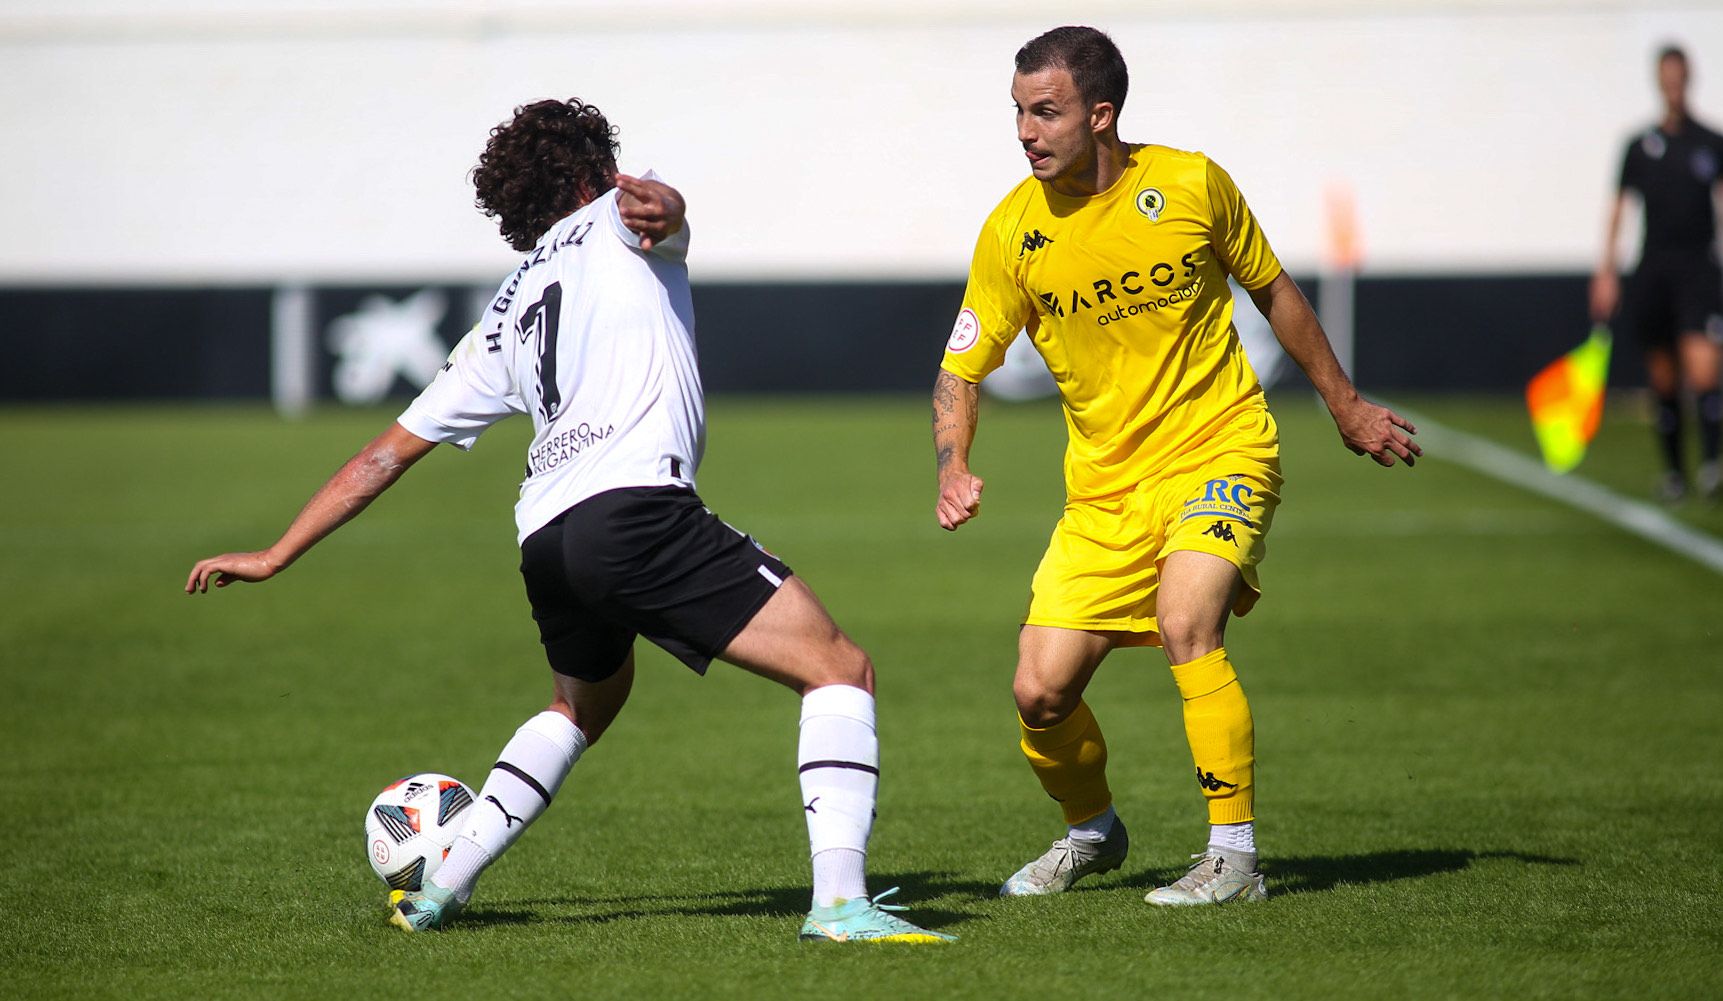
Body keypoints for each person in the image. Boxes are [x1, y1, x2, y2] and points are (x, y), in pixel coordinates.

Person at [185, 99, 952, 944]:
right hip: (634, 511)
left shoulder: (506, 309)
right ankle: (841, 906)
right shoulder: (619, 217)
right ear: (594, 169)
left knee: (583, 703)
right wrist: (666, 205)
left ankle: (438, 885)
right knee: (839, 669)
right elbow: (658, 208)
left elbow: (386, 452)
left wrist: (277, 552)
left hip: (545, 536)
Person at [931, 27, 1419, 907]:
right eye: (1016, 112)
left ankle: (1233, 858)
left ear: (1101, 114)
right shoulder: (1012, 231)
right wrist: (952, 463)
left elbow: (1273, 288)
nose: (1023, 131)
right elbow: (961, 365)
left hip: (1220, 447)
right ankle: (1092, 830)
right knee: (1037, 694)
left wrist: (1342, 405)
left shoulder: (1191, 183)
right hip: (1104, 492)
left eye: (1044, 112)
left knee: (1186, 619)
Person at [1591, 44, 1723, 503]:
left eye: (1679, 76)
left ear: (1688, 79)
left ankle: (1711, 466)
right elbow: (1619, 209)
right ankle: (1674, 474)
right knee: (1663, 378)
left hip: (1698, 267)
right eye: (1666, 76)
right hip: (1654, 268)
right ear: (1658, 81)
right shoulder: (1640, 146)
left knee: (1704, 371)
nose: (1673, 84)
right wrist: (1607, 271)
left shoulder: (1710, 142)